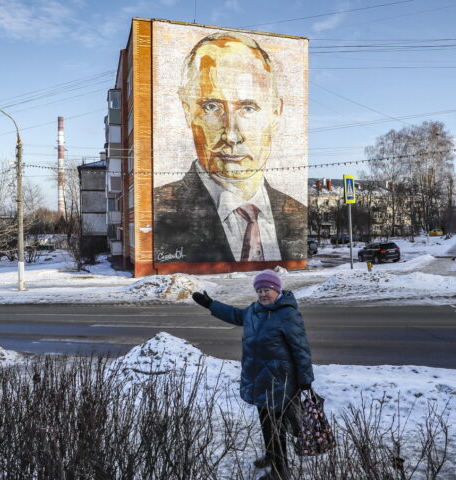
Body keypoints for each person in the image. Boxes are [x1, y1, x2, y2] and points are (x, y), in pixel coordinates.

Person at [154, 32, 307, 264]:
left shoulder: (297, 213)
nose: (232, 135)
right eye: (212, 106)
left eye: (248, 108)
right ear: (187, 111)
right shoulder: (159, 211)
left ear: (276, 113)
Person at [192, 270, 314, 480]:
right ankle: (271, 456)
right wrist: (210, 304)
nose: (263, 295)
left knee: (277, 427)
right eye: (259, 291)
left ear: (276, 290)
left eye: (267, 290)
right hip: (259, 379)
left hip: (280, 381)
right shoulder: (254, 310)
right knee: (266, 422)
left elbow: (301, 349)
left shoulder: (287, 314)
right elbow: (236, 315)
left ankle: (280, 470)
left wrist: (305, 380)